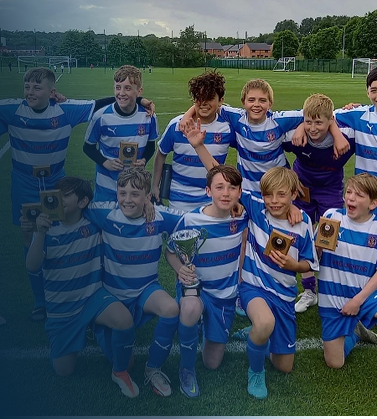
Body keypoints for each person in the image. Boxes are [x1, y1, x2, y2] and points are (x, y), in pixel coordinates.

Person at [181, 119, 318, 400]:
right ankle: (255, 371)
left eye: (282, 195)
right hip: (254, 288)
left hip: (284, 294)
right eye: (269, 195)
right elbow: (223, 181)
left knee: (285, 366)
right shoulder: (256, 209)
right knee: (265, 323)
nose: (274, 201)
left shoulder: (302, 221)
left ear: (294, 195)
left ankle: (256, 335)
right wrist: (199, 146)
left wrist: (294, 267)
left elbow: (308, 264)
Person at [0, 67, 116, 322]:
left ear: (52, 92)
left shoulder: (65, 110)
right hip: (24, 183)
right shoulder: (9, 110)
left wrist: (141, 100)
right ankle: (40, 302)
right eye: (27, 87)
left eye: (37, 88)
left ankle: (67, 292)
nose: (30, 92)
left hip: (56, 183)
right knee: (30, 235)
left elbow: (99, 104)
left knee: (60, 233)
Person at [25, 177, 138, 397]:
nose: (59, 198)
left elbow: (126, 207)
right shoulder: (47, 228)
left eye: (66, 194)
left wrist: (148, 203)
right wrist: (38, 234)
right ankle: (86, 331)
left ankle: (100, 332)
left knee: (125, 328)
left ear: (83, 202)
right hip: (62, 309)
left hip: (92, 297)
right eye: (58, 192)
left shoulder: (93, 223)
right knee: (64, 371)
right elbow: (32, 266)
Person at [84, 167, 183, 397]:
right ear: (116, 193)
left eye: (135, 194)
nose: (127, 200)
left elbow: (192, 217)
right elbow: (75, 206)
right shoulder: (105, 213)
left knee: (170, 308)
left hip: (145, 289)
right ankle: (100, 330)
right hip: (112, 293)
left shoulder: (158, 216)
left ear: (148, 197)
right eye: (122, 193)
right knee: (125, 363)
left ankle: (153, 368)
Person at [180, 79, 349, 197]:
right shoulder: (235, 117)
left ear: (270, 104)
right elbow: (209, 104)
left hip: (277, 188)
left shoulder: (279, 120)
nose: (256, 104)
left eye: (262, 100)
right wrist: (187, 116)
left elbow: (323, 113)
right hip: (247, 189)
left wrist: (334, 134)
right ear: (243, 102)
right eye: (251, 100)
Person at [165, 165, 248, 398]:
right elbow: (170, 251)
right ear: (208, 190)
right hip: (196, 288)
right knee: (190, 309)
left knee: (212, 363)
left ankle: (201, 326)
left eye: (232, 188)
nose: (226, 193)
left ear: (240, 192)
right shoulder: (191, 219)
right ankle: (186, 368)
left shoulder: (241, 217)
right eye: (219, 187)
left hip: (225, 295)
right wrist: (181, 270)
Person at [283, 93, 355, 313]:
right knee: (299, 235)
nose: (313, 128)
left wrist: (336, 132)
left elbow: (357, 115)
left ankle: (328, 288)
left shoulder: (349, 136)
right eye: (308, 122)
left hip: (330, 190)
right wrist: (299, 128)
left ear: (330, 120)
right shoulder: (293, 136)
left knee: (327, 238)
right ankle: (309, 290)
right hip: (302, 188)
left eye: (319, 122)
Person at [317, 173, 377, 369]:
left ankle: (363, 318)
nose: (350, 198)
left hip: (365, 295)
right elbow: (313, 260)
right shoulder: (332, 217)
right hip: (333, 299)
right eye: (348, 192)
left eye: (359, 195)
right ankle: (357, 332)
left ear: (372, 203)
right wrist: (318, 248)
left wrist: (358, 301)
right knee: (335, 363)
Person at [152, 70, 236, 211]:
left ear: (221, 100)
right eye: (199, 97)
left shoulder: (228, 127)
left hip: (213, 200)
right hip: (179, 200)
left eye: (209, 97)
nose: (203, 103)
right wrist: (155, 184)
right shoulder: (177, 125)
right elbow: (161, 154)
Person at [84, 65, 158, 202]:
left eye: (128, 88)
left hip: (136, 190)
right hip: (106, 189)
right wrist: (105, 162)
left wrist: (144, 160)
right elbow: (87, 147)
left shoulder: (149, 116)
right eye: (118, 87)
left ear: (139, 91)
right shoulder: (101, 117)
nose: (121, 93)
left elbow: (150, 145)